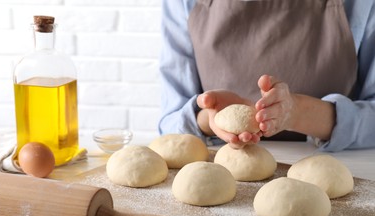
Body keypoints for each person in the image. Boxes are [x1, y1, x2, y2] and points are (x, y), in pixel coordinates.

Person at [158, 0, 375, 152]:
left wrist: (298, 113)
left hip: (344, 167)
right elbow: (170, 123)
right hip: (223, 165)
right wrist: (208, 117)